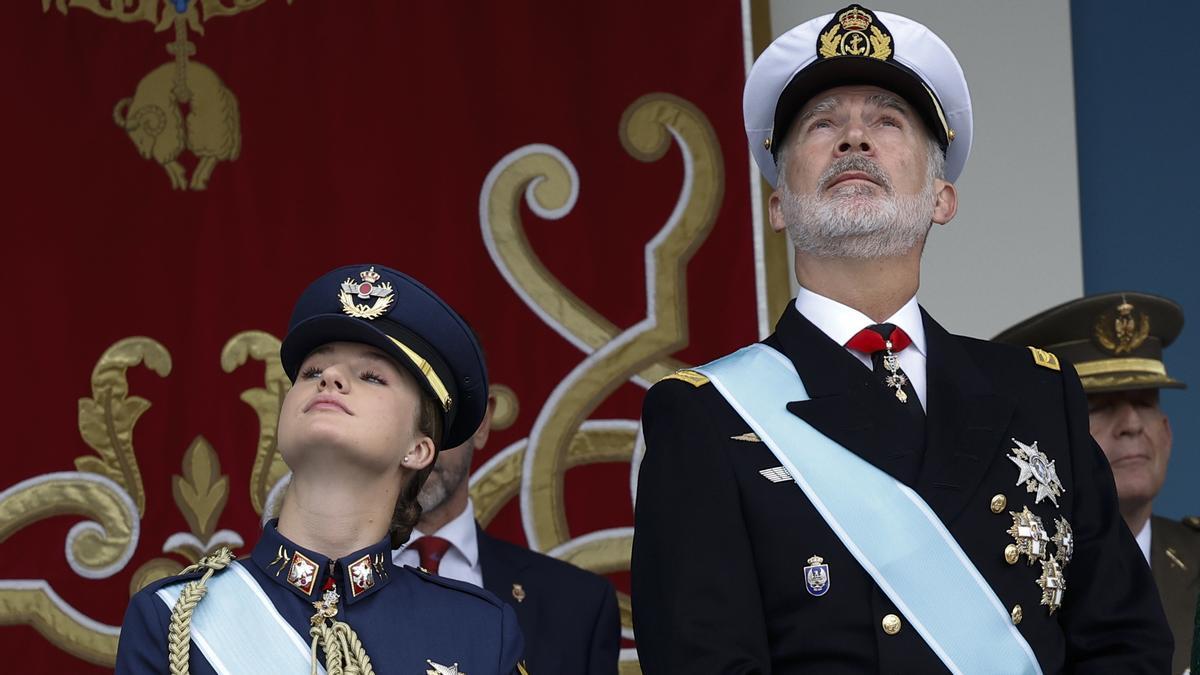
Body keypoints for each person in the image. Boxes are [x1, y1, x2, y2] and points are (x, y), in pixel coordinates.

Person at [631, 5, 1172, 673]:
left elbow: (1126, 643)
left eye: (888, 121)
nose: (854, 137)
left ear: (942, 196)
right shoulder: (706, 417)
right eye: (822, 124)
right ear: (777, 203)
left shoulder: (1038, 393)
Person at [116, 264, 527, 674]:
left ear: (419, 450)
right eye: (313, 372)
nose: (330, 377)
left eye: (371, 376)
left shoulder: (480, 632)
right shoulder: (173, 619)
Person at [996, 291, 1197, 674]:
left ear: (1167, 432)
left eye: (1145, 403)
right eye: (1100, 407)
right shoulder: (1004, 566)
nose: (1132, 425)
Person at [394, 388, 621, 674]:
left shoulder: (579, 605)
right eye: (399, 411)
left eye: (438, 410)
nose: (420, 442)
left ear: (481, 423)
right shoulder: (326, 583)